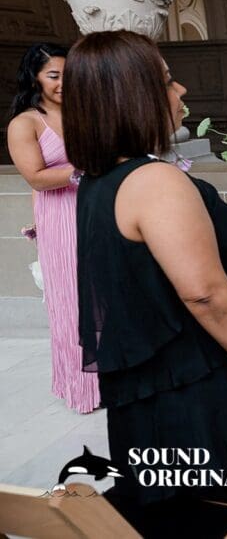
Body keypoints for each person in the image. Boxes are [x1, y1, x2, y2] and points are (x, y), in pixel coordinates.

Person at [63, 31, 227, 536]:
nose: (180, 90)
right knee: (211, 512)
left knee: (174, 508)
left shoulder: (100, 181)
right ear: (131, 96)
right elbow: (204, 291)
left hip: (149, 384)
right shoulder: (154, 181)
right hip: (186, 383)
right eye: (165, 81)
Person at [6, 42, 100, 414]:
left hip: (98, 209)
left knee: (105, 296)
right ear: (36, 78)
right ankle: (82, 388)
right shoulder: (25, 123)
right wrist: (86, 167)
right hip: (60, 215)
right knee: (73, 302)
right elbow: (37, 177)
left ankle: (114, 379)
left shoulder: (86, 114)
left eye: (68, 74)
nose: (63, 82)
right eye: (54, 75)